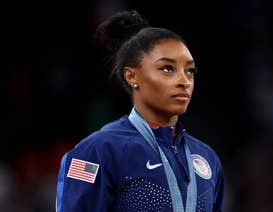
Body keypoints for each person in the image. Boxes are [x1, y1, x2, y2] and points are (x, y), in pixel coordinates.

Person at [56, 10, 224, 212]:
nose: (184, 81)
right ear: (131, 76)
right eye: (167, 69)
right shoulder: (97, 151)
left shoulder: (207, 159)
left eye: (190, 71)